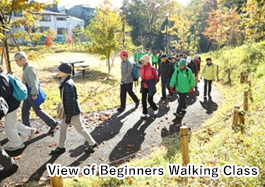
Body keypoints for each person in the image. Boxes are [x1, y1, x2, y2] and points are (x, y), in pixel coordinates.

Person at [50, 63, 97, 155]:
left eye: (60, 70)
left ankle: (92, 143)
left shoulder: (68, 84)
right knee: (63, 128)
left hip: (73, 112)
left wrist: (68, 117)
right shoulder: (64, 80)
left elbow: (71, 102)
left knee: (80, 129)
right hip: (68, 111)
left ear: (65, 72)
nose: (58, 71)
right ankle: (61, 147)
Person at [14, 52, 58, 134]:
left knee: (37, 110)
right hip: (28, 92)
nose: (16, 63)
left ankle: (53, 123)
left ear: (23, 59)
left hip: (32, 92)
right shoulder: (26, 67)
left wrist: (34, 94)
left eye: (17, 61)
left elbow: (34, 82)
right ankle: (26, 128)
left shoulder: (29, 68)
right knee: (25, 109)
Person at [0, 66, 36, 151]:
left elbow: (6, 92)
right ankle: (29, 131)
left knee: (9, 127)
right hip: (13, 102)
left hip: (10, 104)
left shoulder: (1, 78)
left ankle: (17, 144)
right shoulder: (3, 75)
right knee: (11, 122)